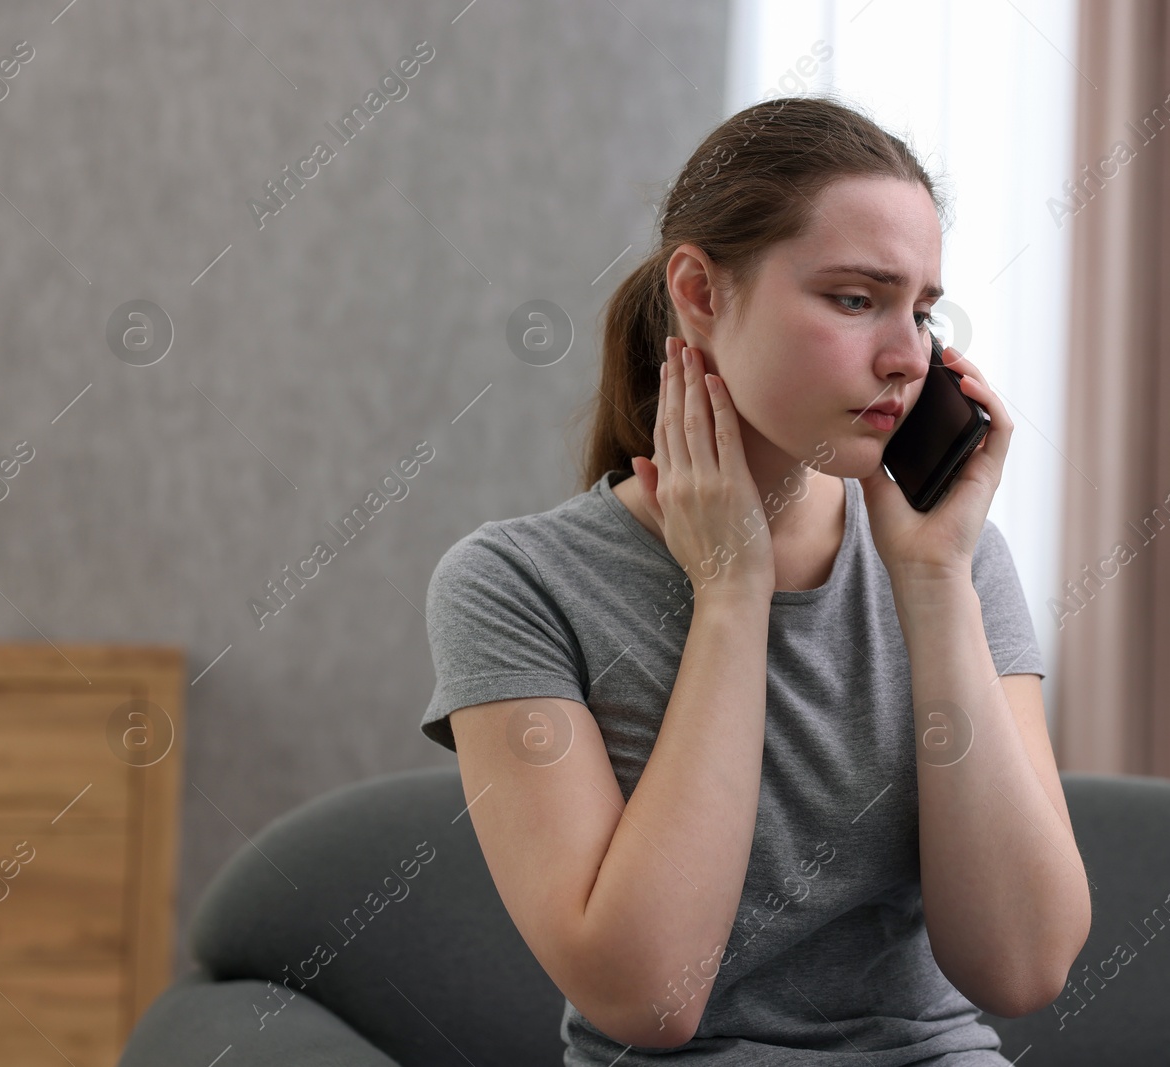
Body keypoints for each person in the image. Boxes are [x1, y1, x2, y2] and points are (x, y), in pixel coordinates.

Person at [419, 93, 1090, 1066]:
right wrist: (730, 590)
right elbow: (649, 999)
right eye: (855, 299)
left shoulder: (953, 553)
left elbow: (1023, 968)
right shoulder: (513, 584)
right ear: (698, 291)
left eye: (922, 308)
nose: (907, 355)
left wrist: (937, 584)